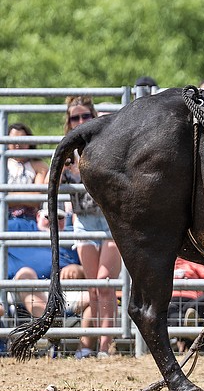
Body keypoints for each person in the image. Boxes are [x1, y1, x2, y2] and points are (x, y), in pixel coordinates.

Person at [62, 96, 122, 357]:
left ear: (94, 117)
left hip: (109, 220)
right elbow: (48, 183)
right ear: (68, 122)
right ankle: (89, 346)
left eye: (86, 116)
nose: (81, 121)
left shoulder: (104, 145)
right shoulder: (66, 151)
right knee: (93, 288)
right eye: (75, 117)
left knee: (105, 284)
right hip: (84, 222)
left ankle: (105, 347)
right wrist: (66, 167)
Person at [7, 204, 90, 356]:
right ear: (38, 216)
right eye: (49, 216)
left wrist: (78, 269)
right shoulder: (18, 226)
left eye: (60, 217)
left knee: (93, 297)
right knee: (25, 274)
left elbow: (92, 271)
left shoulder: (73, 236)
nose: (54, 221)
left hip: (64, 291)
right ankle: (51, 325)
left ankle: (84, 351)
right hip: (26, 290)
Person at [6, 123, 48, 221]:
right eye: (13, 140)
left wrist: (9, 196)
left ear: (29, 142)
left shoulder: (39, 166)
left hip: (29, 219)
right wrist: (26, 195)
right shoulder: (2, 164)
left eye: (22, 139)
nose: (17, 144)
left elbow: (36, 199)